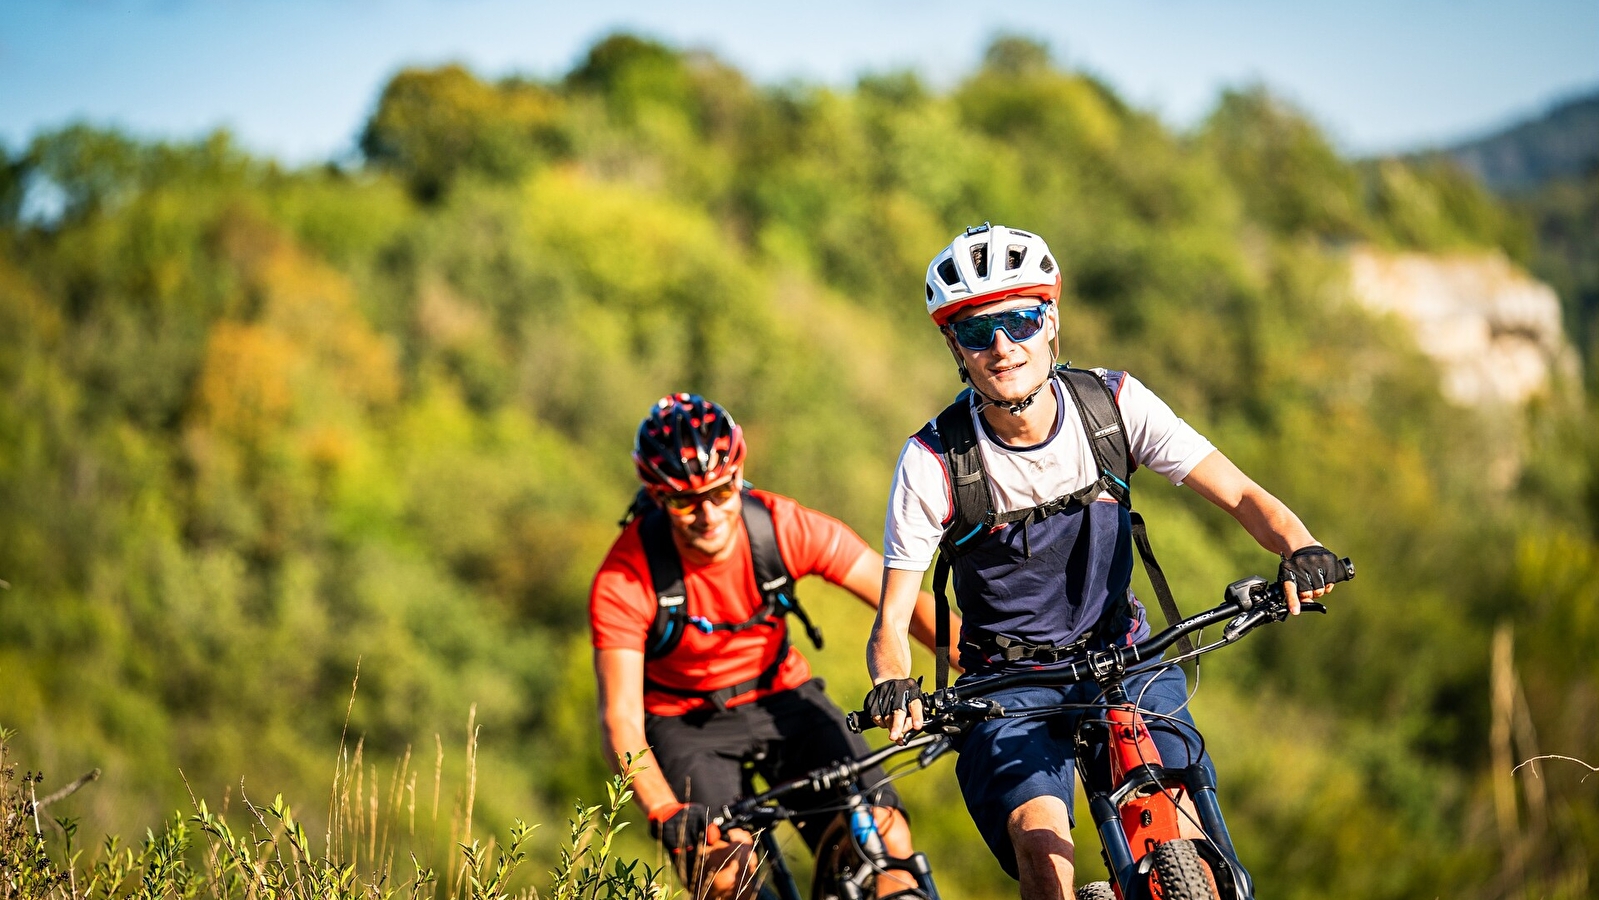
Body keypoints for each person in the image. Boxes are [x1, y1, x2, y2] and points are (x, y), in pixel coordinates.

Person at [863, 224, 1343, 899]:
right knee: (1042, 848)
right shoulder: (933, 461)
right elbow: (890, 625)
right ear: (955, 347)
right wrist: (893, 683)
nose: (1002, 346)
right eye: (975, 331)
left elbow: (1240, 494)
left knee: (1185, 822)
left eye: (1019, 320)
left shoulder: (1110, 406)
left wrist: (1300, 545)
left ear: (1051, 323)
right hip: (1008, 686)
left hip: (1124, 654)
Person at [591, 393, 956, 899]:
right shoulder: (625, 578)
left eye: (722, 491)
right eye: (684, 502)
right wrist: (664, 810)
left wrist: (982, 667)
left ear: (738, 474)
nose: (709, 514)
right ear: (657, 496)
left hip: (782, 697)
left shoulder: (780, 526)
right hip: (686, 723)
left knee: (886, 837)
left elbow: (905, 602)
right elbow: (620, 719)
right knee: (726, 875)